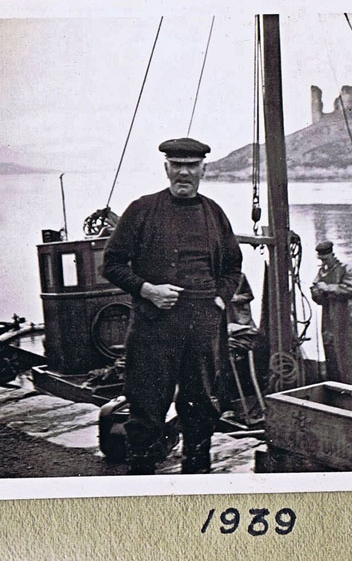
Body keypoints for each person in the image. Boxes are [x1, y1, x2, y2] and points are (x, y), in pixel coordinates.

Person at [102, 137, 242, 475]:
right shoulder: (142, 209)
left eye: (191, 166)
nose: (183, 172)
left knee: (201, 407)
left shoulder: (214, 213)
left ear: (203, 169)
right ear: (166, 168)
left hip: (202, 327)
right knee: (147, 408)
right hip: (154, 326)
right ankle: (142, 487)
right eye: (176, 165)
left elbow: (233, 266)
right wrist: (146, 289)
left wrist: (220, 299)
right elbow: (112, 264)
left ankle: (197, 477)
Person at [310, 241, 352, 385]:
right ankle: (337, 383)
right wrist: (316, 292)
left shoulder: (346, 269)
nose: (323, 262)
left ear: (332, 255)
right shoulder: (322, 272)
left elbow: (350, 290)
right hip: (329, 316)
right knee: (332, 348)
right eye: (321, 259)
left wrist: (327, 288)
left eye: (325, 259)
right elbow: (317, 294)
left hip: (347, 316)